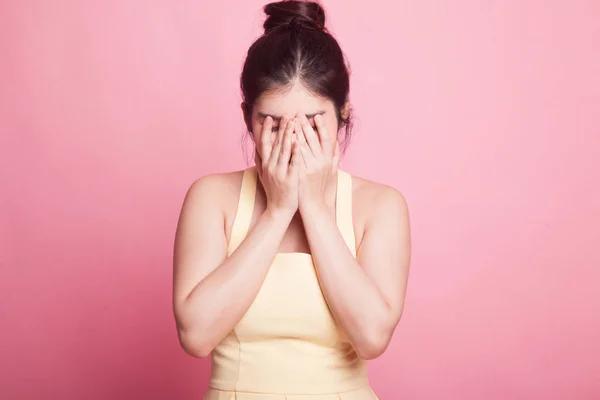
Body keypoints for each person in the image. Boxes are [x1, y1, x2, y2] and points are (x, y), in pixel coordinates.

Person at [172, 1, 411, 398]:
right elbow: (195, 336)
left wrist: (314, 206)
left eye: (314, 123)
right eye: (274, 122)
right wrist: (279, 210)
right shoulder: (211, 197)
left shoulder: (381, 206)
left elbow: (372, 338)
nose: (294, 141)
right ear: (248, 117)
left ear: (343, 116)